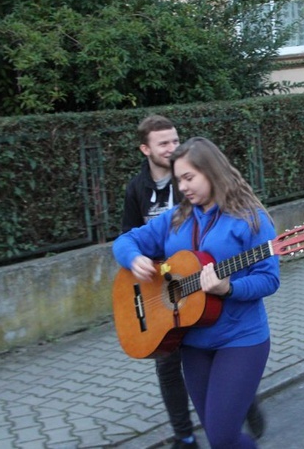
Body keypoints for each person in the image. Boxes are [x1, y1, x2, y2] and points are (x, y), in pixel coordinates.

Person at [114, 137, 279, 448]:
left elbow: (269, 280)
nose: (183, 187)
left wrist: (229, 288)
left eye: (189, 177)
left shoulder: (249, 218)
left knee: (221, 437)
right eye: (179, 180)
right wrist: (134, 258)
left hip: (241, 339)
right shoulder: (176, 217)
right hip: (192, 342)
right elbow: (125, 241)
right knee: (220, 439)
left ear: (211, 171)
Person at [120, 115, 197, 449]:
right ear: (145, 149)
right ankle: (185, 436)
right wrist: (133, 259)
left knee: (209, 352)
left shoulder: (192, 178)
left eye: (175, 140)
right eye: (163, 143)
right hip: (160, 292)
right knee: (167, 365)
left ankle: (242, 402)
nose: (172, 148)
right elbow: (128, 236)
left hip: (197, 282)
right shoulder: (137, 189)